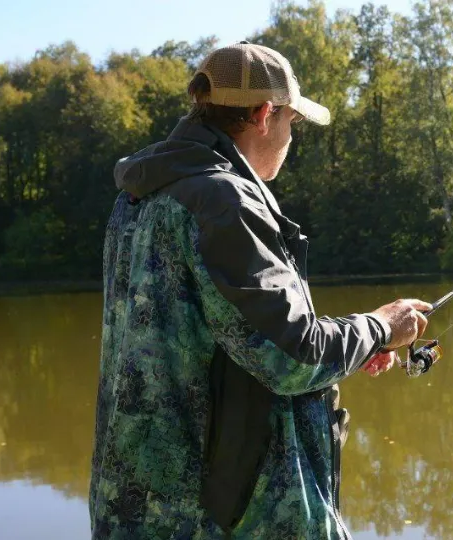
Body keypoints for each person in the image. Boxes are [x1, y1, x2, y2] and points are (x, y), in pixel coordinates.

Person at [88, 41, 433, 539]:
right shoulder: (225, 201)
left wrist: (358, 348)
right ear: (263, 113)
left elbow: (228, 337)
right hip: (222, 518)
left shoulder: (141, 195)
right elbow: (292, 356)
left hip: (134, 507)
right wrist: (381, 327)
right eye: (292, 122)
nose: (293, 137)